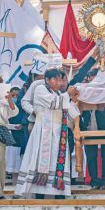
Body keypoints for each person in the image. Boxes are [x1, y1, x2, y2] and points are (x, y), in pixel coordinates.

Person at [16, 69, 81, 199]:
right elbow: (54, 103)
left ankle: (59, 193)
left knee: (57, 162)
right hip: (43, 132)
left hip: (58, 132)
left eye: (61, 80)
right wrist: (68, 95)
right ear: (47, 80)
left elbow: (70, 112)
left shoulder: (59, 93)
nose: (59, 82)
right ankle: (39, 194)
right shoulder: (41, 89)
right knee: (41, 161)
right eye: (56, 79)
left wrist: (74, 100)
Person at [5, 86, 25, 183]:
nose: (15, 97)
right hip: (11, 139)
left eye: (17, 95)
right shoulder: (6, 107)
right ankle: (14, 186)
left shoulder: (23, 107)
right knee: (13, 168)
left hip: (22, 139)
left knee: (22, 166)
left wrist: (23, 125)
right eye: (13, 95)